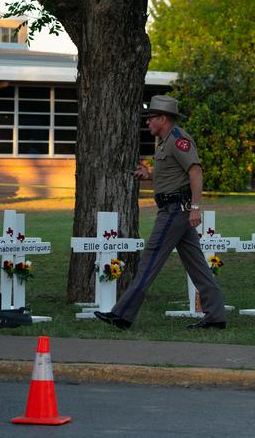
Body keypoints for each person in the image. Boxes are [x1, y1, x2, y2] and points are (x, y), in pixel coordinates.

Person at [95, 95, 227, 330]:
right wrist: (149, 175)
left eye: (151, 118)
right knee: (198, 266)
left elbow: (195, 171)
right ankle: (216, 316)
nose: (147, 123)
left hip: (175, 210)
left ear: (163, 118)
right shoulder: (165, 142)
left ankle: (122, 314)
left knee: (150, 260)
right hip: (176, 209)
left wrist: (196, 208)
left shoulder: (178, 140)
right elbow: (173, 173)